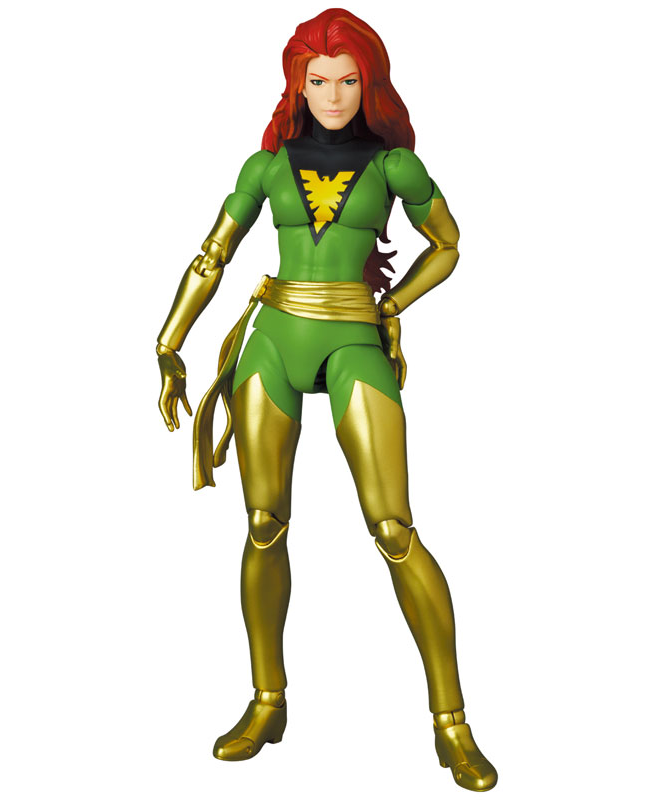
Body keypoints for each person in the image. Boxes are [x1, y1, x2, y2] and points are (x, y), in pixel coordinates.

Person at [156, 8, 497, 792]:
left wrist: (391, 305)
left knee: (394, 529)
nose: (335, 95)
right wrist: (168, 342)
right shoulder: (265, 165)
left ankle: (451, 723)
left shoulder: (395, 166)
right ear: (298, 84)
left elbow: (448, 244)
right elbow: (211, 256)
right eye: (320, 80)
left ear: (367, 83)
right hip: (274, 338)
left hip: (353, 341)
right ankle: (267, 701)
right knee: (264, 524)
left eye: (348, 80)